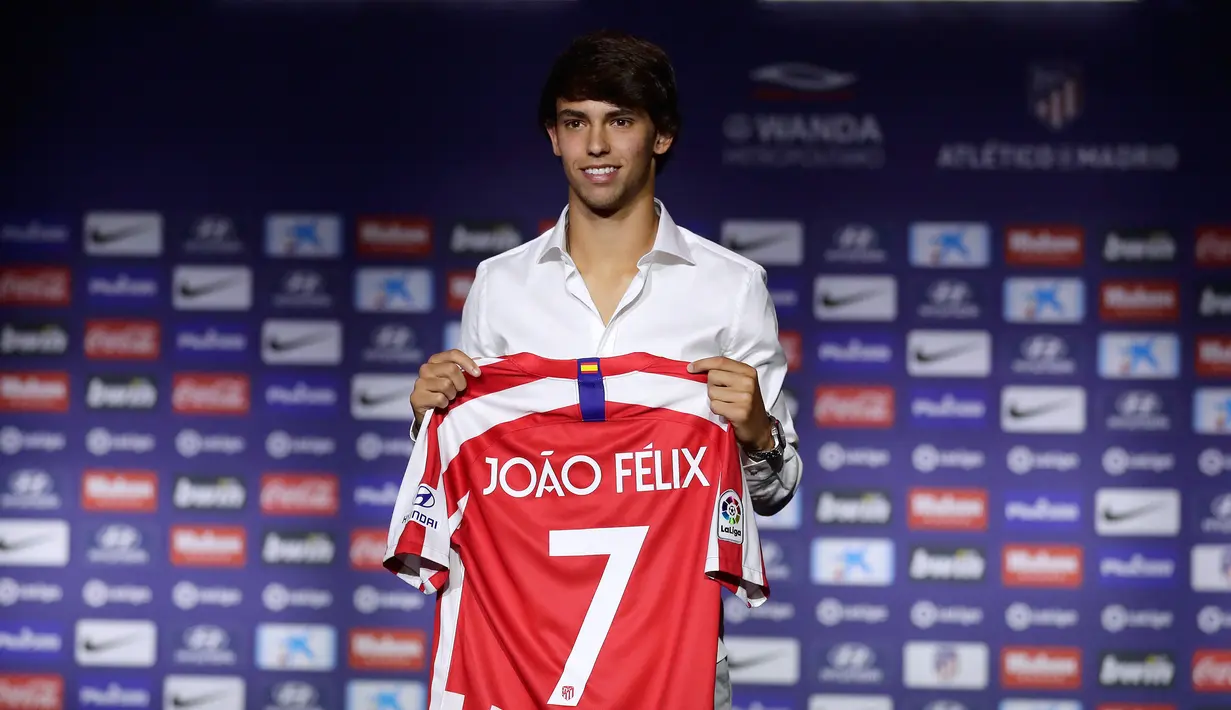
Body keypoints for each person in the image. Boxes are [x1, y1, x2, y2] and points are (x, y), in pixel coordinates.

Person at [407, 29, 801, 710]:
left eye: (619, 121)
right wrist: (429, 417)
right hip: (522, 661)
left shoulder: (731, 287)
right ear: (552, 137)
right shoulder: (500, 285)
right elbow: (471, 474)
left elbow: (770, 492)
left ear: (660, 136)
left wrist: (758, 433)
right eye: (574, 122)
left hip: (672, 666)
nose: (595, 145)